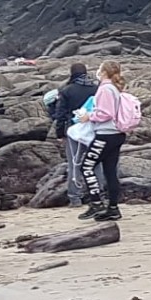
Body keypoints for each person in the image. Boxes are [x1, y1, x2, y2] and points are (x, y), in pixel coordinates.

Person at [75, 61, 132, 222]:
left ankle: (96, 202)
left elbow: (106, 113)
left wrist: (88, 116)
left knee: (86, 167)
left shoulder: (105, 89)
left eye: (99, 69)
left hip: (105, 135)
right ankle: (113, 208)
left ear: (104, 72)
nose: (97, 72)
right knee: (110, 171)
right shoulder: (114, 88)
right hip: (116, 134)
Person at [52, 63, 99, 206]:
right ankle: (99, 195)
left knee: (74, 164)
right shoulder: (96, 89)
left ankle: (75, 198)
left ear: (71, 73)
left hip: (74, 131)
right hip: (94, 129)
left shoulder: (67, 90)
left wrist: (60, 134)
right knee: (96, 163)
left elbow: (60, 114)